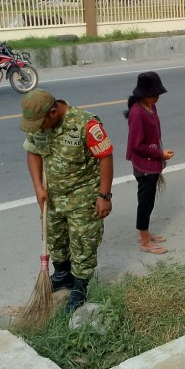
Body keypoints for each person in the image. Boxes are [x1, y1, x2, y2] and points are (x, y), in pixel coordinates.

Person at [20, 88, 114, 313]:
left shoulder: (85, 124)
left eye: (41, 124)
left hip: (84, 196)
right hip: (53, 195)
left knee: (83, 243)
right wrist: (38, 187)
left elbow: (105, 157)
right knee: (55, 237)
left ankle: (80, 287)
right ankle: (63, 276)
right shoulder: (40, 123)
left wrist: (104, 196)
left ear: (53, 112)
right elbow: (33, 152)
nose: (38, 129)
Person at [125, 72, 174, 254]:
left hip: (152, 162)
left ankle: (145, 233)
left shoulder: (151, 107)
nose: (158, 97)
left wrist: (160, 157)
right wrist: (159, 153)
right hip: (143, 166)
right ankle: (145, 242)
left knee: (149, 201)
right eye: (155, 94)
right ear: (144, 94)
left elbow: (155, 135)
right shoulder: (137, 113)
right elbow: (136, 145)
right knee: (145, 203)